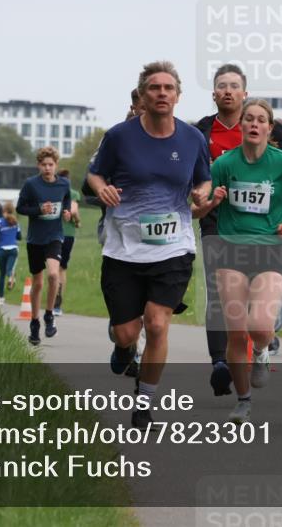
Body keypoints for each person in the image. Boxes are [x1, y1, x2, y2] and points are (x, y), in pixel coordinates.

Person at [88, 61, 211, 429]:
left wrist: (202, 195)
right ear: (142, 94)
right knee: (127, 331)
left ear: (177, 95)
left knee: (157, 325)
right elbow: (94, 173)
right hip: (123, 248)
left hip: (173, 247)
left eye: (168, 88)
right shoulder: (119, 137)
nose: (161, 93)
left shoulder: (192, 139)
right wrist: (101, 188)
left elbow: (203, 180)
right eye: (154, 87)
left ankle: (144, 405)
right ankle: (124, 348)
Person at [194, 98, 282, 424]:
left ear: (269, 127)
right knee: (236, 334)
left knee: (260, 326)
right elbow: (200, 202)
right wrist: (212, 200)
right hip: (230, 251)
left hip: (269, 251)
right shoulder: (224, 164)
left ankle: (263, 352)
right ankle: (243, 400)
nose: (253, 124)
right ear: (241, 127)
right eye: (248, 119)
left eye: (260, 120)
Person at [16, 146, 73, 344]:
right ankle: (34, 322)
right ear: (39, 166)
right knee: (38, 283)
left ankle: (49, 315)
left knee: (53, 275)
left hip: (55, 236)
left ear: (56, 165)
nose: (48, 168)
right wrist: (39, 209)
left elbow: (66, 201)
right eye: (44, 165)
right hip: (35, 239)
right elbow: (20, 207)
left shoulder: (64, 184)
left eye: (51, 164)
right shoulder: (31, 184)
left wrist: (66, 212)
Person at [54, 169, 81, 316]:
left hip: (53, 233)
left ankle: (51, 303)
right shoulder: (73, 193)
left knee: (53, 269)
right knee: (62, 269)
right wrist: (77, 222)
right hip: (68, 234)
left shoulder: (54, 191)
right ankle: (58, 305)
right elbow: (74, 210)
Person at [0, 201, 22, 304]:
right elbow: (19, 236)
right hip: (13, 249)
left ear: (4, 211)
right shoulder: (16, 222)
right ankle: (11, 276)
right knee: (9, 269)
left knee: (2, 274)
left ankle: (1, 298)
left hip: (3, 249)